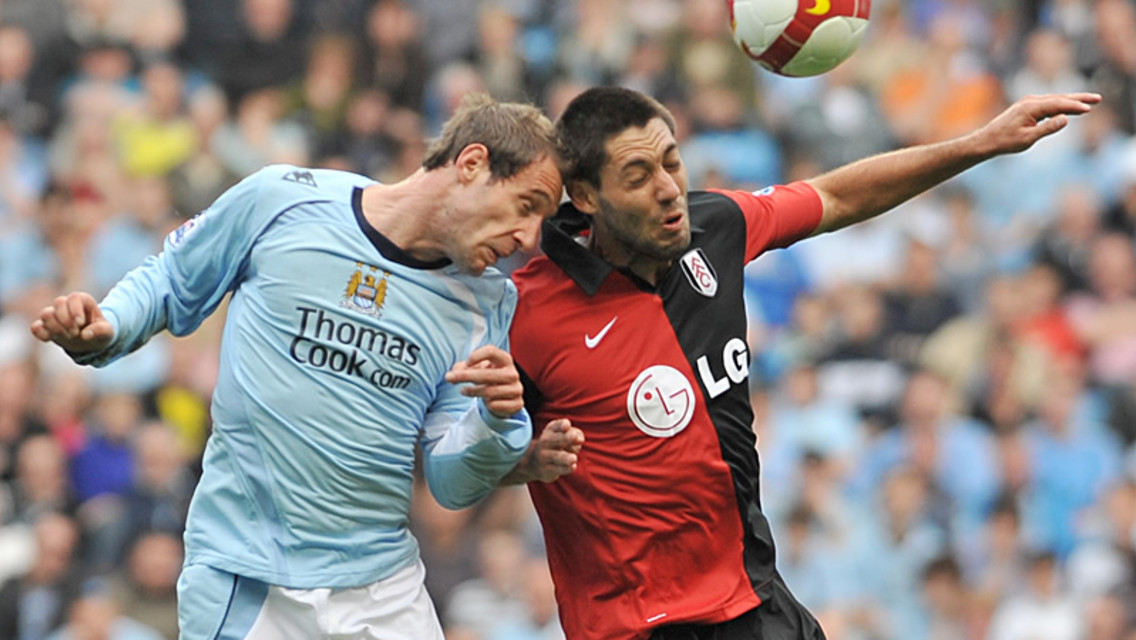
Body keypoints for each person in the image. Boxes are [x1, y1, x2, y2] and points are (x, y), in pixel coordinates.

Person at [507, 86, 1099, 639]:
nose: (667, 188)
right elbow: (452, 467)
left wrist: (979, 143)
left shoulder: (713, 228)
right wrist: (525, 461)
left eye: (672, 161)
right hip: (642, 625)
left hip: (755, 600)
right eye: (638, 176)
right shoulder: (528, 314)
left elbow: (838, 194)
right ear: (585, 197)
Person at [31, 93, 573, 640]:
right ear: (472, 163)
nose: (527, 239)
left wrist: (497, 419)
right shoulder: (282, 200)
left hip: (381, 588)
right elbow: (171, 280)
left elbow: (450, 482)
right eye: (527, 205)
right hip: (246, 576)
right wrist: (110, 326)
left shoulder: (486, 302)